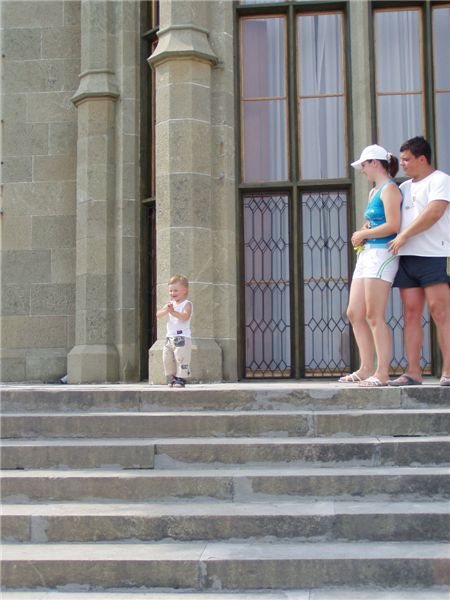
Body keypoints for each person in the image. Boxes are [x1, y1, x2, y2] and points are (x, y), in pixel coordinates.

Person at [388, 136, 450, 387]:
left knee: (440, 312)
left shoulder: (440, 180)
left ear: (422, 159)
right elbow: (392, 216)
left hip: (434, 255)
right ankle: (413, 371)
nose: (402, 164)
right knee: (411, 314)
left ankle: (448, 371)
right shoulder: (403, 188)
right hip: (407, 258)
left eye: (406, 159)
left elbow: (434, 212)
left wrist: (405, 235)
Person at [339, 144, 402, 387]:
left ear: (375, 163)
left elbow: (394, 225)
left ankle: (382, 373)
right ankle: (365, 368)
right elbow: (375, 222)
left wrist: (364, 234)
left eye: (364, 165)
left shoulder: (390, 189)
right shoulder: (374, 191)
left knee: (374, 314)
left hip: (382, 254)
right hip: (367, 255)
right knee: (354, 312)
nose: (362, 170)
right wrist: (364, 231)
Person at [156, 274, 193, 388]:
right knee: (167, 358)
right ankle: (173, 377)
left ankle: (181, 378)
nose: (172, 293)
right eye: (170, 291)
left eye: (175, 290)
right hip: (169, 337)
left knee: (181, 358)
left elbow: (185, 317)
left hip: (182, 337)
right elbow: (158, 315)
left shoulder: (187, 304)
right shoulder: (170, 305)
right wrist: (166, 310)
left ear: (184, 290)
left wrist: (173, 312)